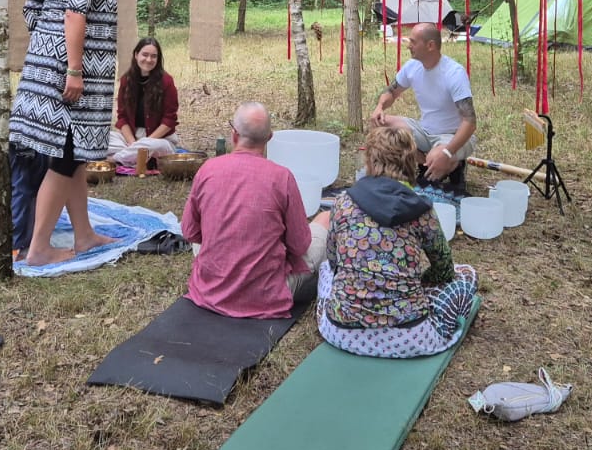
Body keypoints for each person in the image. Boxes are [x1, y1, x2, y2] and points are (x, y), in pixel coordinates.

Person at [10, 0, 138, 265]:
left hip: (45, 70)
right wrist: (73, 68)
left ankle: (84, 235)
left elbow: (31, 8)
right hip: (70, 75)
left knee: (74, 155)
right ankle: (39, 248)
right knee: (65, 158)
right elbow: (75, 13)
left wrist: (47, 45)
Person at [317, 124, 478, 358]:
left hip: (341, 333)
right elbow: (444, 268)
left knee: (324, 270)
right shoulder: (421, 209)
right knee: (466, 275)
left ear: (369, 160)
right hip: (410, 338)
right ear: (411, 162)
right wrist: (416, 283)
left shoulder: (343, 201)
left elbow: (333, 263)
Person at [180, 102, 330, 320]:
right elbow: (299, 245)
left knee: (205, 233)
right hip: (268, 294)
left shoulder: (207, 170)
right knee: (325, 218)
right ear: (270, 137)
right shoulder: (282, 177)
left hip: (209, 290)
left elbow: (190, 232)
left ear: (234, 134)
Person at [369, 22, 477, 190]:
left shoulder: (454, 73)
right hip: (425, 130)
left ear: (430, 45)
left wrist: (447, 152)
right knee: (380, 124)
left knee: (439, 156)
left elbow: (469, 122)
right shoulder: (412, 66)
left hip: (452, 135)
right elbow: (391, 92)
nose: (408, 46)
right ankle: (428, 164)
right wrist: (380, 107)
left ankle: (454, 166)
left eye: (413, 42)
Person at [108, 37, 179, 165]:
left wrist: (145, 143)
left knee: (150, 146)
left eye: (154, 56)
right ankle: (136, 157)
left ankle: (114, 160)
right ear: (136, 55)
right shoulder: (126, 80)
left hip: (159, 140)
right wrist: (132, 143)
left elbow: (169, 120)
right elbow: (122, 117)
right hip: (132, 139)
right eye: (145, 55)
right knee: (104, 137)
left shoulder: (167, 81)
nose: (149, 59)